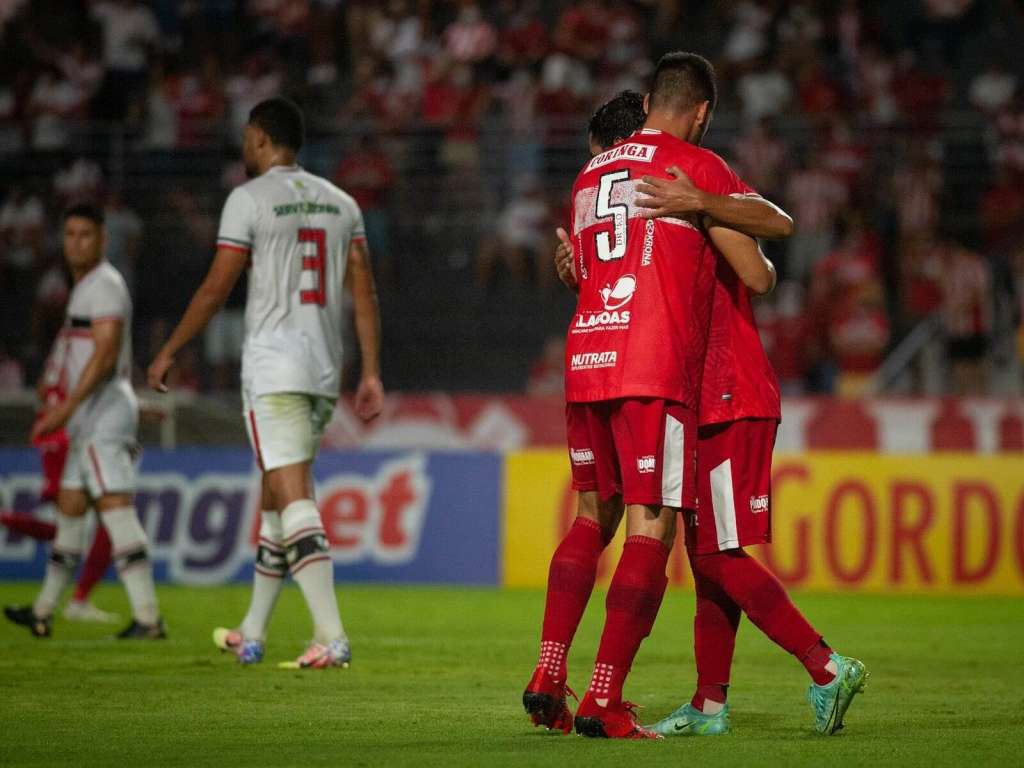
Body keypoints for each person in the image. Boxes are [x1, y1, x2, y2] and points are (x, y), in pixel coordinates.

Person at [548, 88, 868, 738]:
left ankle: (828, 666)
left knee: (719, 554)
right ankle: (710, 703)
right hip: (693, 392)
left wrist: (703, 208)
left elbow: (755, 272)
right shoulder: (657, 205)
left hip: (728, 391)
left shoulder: (687, 183)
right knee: (702, 555)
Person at [524, 55, 777, 740]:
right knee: (652, 525)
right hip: (650, 364)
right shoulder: (686, 164)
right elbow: (759, 268)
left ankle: (550, 670)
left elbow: (596, 266)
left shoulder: (588, 174)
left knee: (587, 517)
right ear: (698, 111)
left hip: (587, 355)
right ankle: (603, 697)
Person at [146, 97, 384, 669]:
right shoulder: (342, 202)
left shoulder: (248, 199)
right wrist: (371, 370)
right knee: (276, 495)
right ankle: (252, 631)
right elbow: (364, 291)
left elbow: (215, 286)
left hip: (275, 367)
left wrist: (170, 351)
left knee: (292, 492)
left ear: (257, 138)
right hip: (325, 370)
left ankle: (332, 636)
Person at [4, 203, 163, 639]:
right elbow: (78, 350)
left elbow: (105, 353)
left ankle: (148, 617)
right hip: (86, 420)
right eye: (70, 234)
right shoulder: (85, 288)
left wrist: (65, 408)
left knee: (116, 510)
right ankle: (42, 612)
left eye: (85, 235)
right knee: (72, 511)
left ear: (103, 239)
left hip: (102, 417)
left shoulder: (106, 286)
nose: (76, 242)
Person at [1, 336, 117, 623]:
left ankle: (53, 605)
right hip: (70, 437)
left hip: (54, 435)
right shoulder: (91, 340)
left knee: (77, 529)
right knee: (97, 525)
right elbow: (93, 383)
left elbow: (43, 389)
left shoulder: (62, 345)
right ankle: (74, 602)